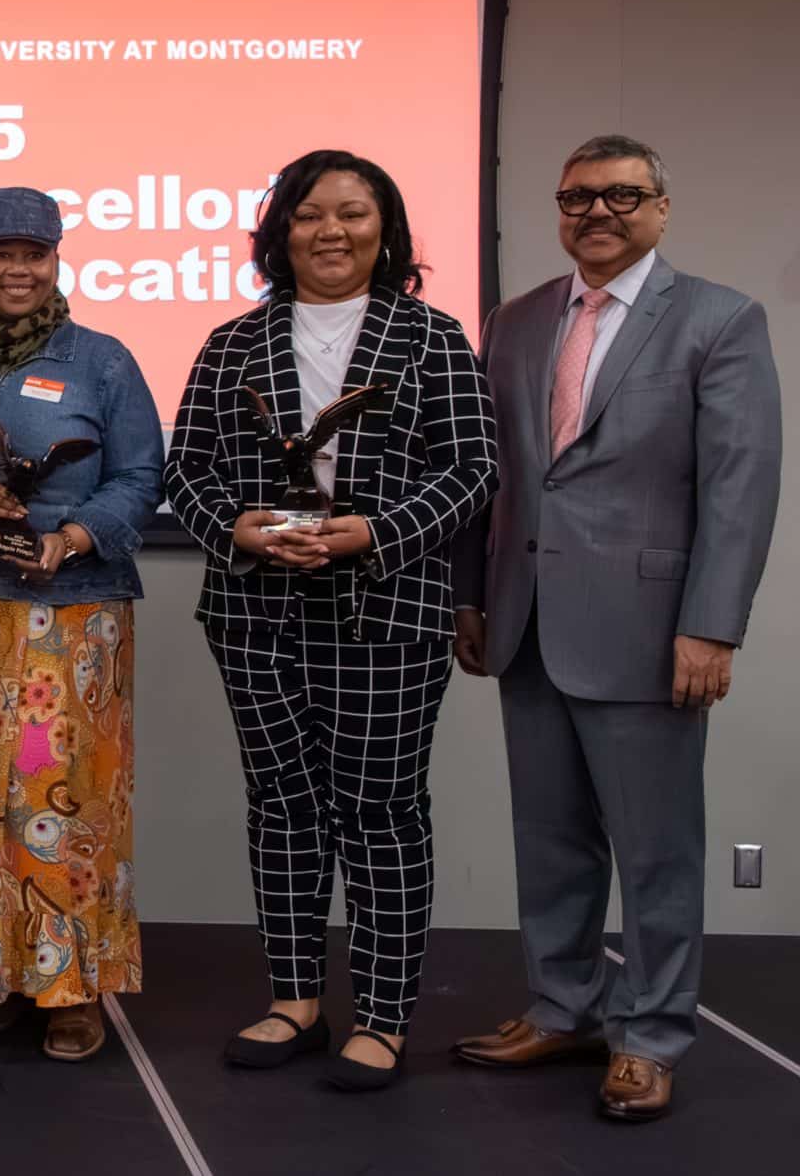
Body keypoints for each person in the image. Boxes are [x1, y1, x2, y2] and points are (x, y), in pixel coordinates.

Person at [449, 135, 780, 1121]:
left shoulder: (719, 319)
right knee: (549, 840)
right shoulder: (513, 321)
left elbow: (739, 488)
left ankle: (650, 1035)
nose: (596, 212)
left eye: (622, 196)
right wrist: (469, 595)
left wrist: (711, 627)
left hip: (650, 628)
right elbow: (486, 474)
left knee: (654, 850)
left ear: (661, 209)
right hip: (523, 620)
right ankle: (564, 1008)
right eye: (577, 197)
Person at [164, 149, 496, 1090]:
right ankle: (296, 1000)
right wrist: (235, 526)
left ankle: (383, 1016)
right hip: (254, 609)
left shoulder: (432, 337)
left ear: (386, 229)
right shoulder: (233, 342)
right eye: (309, 214)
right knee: (281, 809)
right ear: (281, 232)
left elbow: (473, 468)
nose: (331, 231)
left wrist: (375, 531)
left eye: (353, 212)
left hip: (387, 609)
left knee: (381, 811)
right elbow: (184, 468)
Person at [0, 187, 163, 1064]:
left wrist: (72, 536)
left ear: (56, 260)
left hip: (69, 614)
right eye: (2, 253)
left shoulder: (101, 361)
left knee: (58, 802)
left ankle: (71, 986)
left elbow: (141, 475)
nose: (20, 270)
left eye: (35, 254)